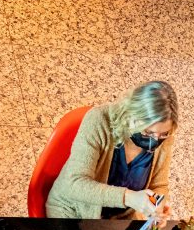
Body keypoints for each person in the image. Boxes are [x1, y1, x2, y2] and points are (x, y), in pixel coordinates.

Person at [46, 81, 177, 222]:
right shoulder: (98, 120)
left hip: (120, 217)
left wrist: (158, 204)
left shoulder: (164, 138)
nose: (154, 141)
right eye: (147, 132)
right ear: (129, 114)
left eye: (163, 134)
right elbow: (74, 183)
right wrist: (128, 197)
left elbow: (159, 185)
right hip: (74, 210)